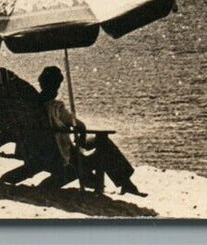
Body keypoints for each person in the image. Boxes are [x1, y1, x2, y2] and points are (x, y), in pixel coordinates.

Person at [37, 66, 143, 197]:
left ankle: (94, 179)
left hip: (43, 153)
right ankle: (125, 183)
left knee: (97, 142)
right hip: (64, 158)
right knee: (103, 141)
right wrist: (80, 141)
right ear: (56, 86)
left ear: (41, 83)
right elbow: (80, 126)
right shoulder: (55, 108)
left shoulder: (33, 105)